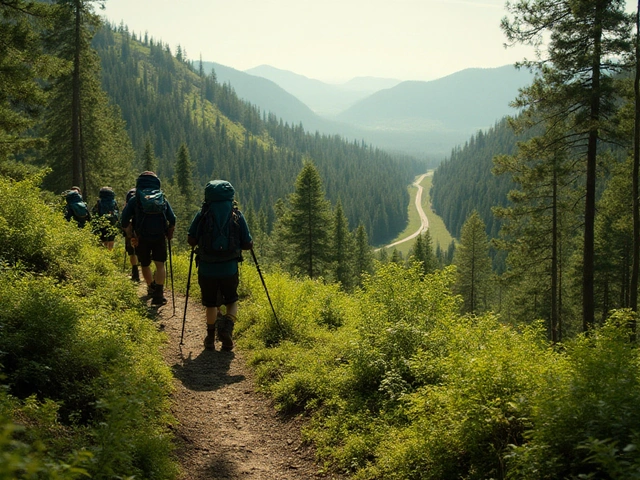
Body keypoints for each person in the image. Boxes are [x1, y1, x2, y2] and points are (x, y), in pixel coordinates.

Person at [187, 180, 253, 351]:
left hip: (207, 268)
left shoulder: (203, 213)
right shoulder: (236, 214)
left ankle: (210, 338)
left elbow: (191, 240)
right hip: (229, 268)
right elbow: (247, 243)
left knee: (211, 304)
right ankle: (227, 329)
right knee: (231, 300)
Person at [121, 171, 176, 305]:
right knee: (160, 264)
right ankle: (159, 294)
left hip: (141, 237)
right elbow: (172, 218)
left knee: (145, 264)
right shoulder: (162, 198)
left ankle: (151, 287)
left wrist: (131, 235)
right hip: (159, 237)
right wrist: (170, 233)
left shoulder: (135, 199)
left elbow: (123, 220)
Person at [91, 186, 120, 250]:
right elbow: (117, 213)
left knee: (103, 238)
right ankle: (110, 252)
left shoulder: (99, 202)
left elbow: (94, 213)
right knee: (111, 238)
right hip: (112, 222)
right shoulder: (114, 202)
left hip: (102, 222)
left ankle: (104, 254)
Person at [122, 188, 140, 282]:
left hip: (130, 230)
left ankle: (135, 273)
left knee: (132, 252)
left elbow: (124, 220)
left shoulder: (129, 204)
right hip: (142, 231)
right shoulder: (144, 201)